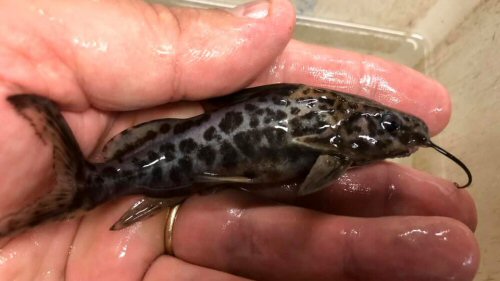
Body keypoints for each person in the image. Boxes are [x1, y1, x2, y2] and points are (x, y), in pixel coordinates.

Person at [0, 0, 479, 280]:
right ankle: (70, 195)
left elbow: (304, 180)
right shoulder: (332, 139)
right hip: (174, 157)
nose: (398, 141)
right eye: (391, 130)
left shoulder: (334, 138)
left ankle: (78, 192)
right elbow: (307, 185)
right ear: (357, 122)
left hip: (175, 155)